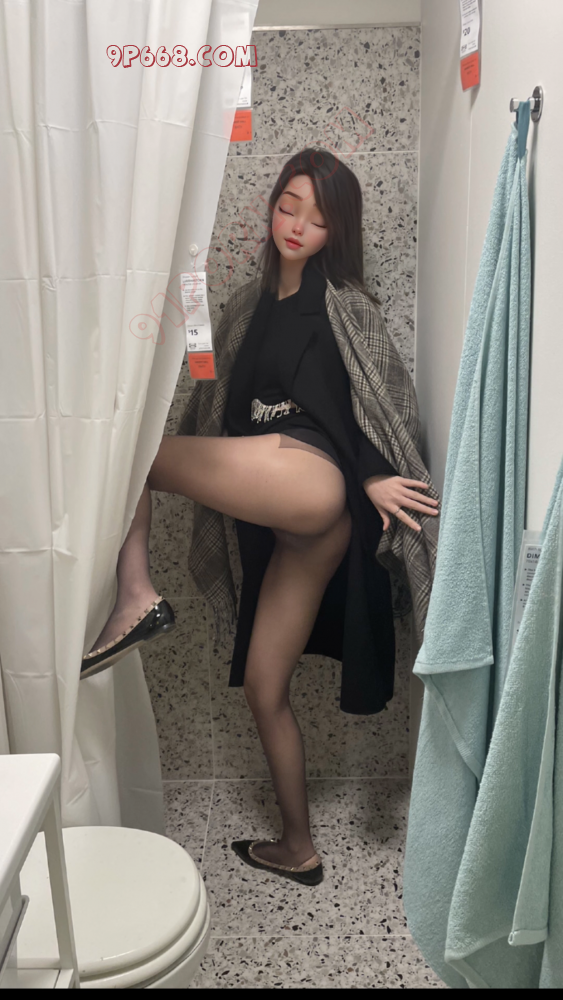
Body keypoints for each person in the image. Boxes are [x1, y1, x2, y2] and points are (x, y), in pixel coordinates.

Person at [81, 148, 440, 887]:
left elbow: (379, 401)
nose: (297, 225)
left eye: (317, 218)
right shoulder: (246, 305)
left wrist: (372, 473)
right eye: (288, 206)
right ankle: (297, 847)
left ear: (337, 231)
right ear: (271, 207)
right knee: (262, 685)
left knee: (133, 454)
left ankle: (136, 593)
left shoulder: (345, 304)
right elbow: (216, 402)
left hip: (312, 478)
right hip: (302, 526)